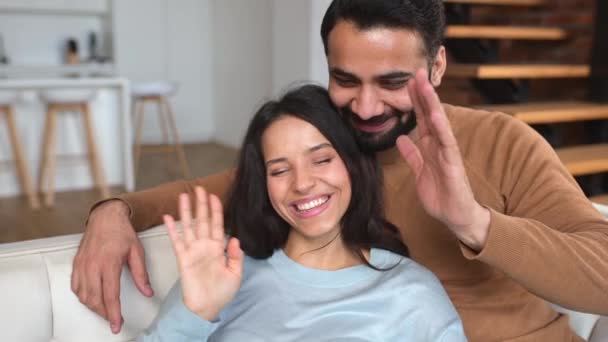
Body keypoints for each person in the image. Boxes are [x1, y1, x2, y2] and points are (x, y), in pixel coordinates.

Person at [72, 0, 608, 341]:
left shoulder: (503, 143)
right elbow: (203, 192)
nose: (368, 108)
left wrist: (474, 223)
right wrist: (113, 211)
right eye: (346, 79)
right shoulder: (329, 154)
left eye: (394, 82)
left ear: (437, 66)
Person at [137, 85, 466, 341]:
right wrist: (196, 312)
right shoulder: (220, 274)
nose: (303, 184)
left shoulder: (411, 292)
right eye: (280, 171)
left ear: (354, 165)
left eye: (322, 160)